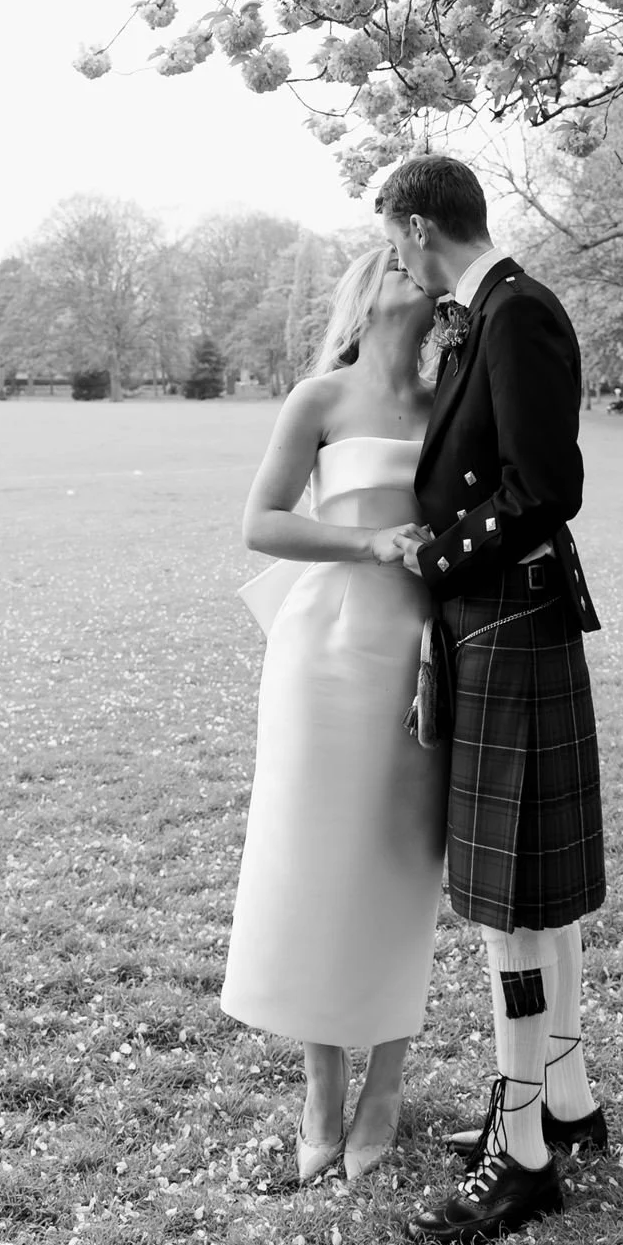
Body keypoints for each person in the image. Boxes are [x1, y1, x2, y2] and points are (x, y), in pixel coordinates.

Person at [375, 157, 606, 1245]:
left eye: (394, 237)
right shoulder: (485, 313)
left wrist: (438, 551)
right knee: (531, 898)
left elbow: (544, 484)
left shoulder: (518, 312)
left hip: (508, 620)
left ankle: (522, 1155)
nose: (394, 257)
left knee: (510, 902)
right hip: (497, 626)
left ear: (421, 227)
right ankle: (564, 1098)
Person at [220, 247, 448, 1182]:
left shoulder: (452, 404)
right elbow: (262, 523)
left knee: (402, 858)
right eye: (394, 257)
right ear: (367, 289)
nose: (412, 266)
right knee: (313, 861)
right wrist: (370, 541)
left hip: (423, 653)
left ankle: (386, 1084)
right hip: (322, 648)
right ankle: (320, 1089)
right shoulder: (318, 397)